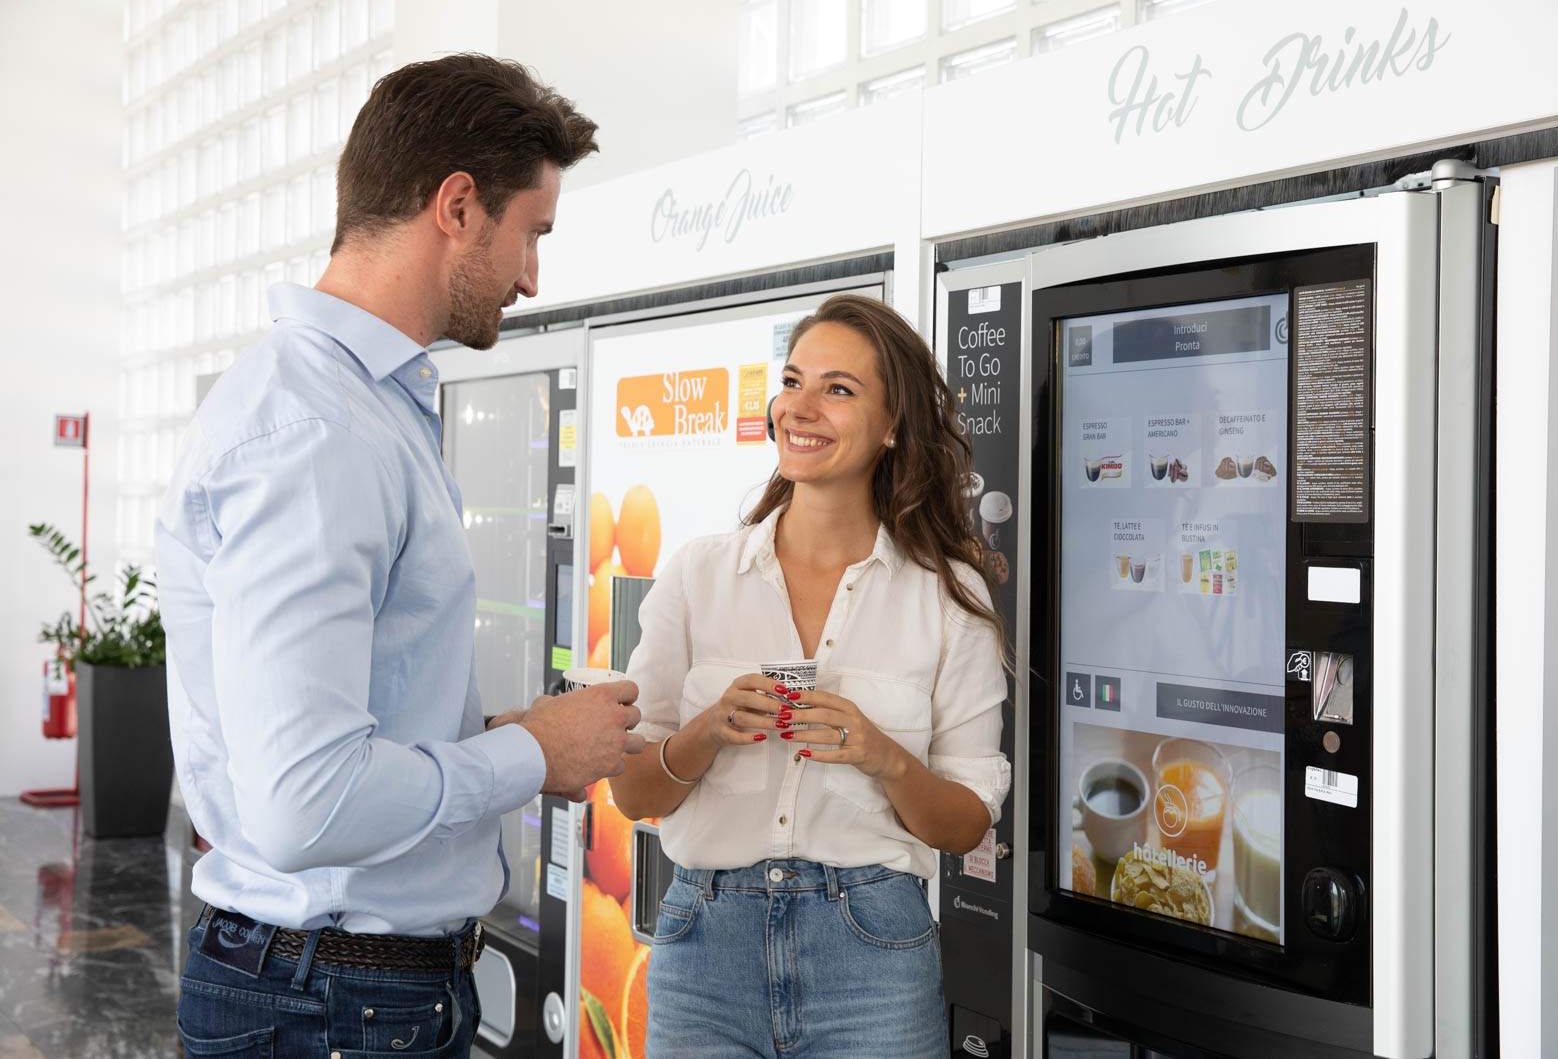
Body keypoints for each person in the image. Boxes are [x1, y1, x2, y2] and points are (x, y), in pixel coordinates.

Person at [155, 54, 644, 1058]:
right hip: (331, 1001)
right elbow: (304, 802)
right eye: (530, 234)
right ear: (457, 206)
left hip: (338, 992)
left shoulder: (355, 407)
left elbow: (344, 720)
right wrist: (531, 754)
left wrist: (509, 734)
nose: (531, 277)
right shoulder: (316, 431)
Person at [609, 293, 1012, 1058]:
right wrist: (703, 734)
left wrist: (883, 754)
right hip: (704, 951)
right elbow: (633, 793)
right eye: (794, 381)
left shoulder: (946, 596)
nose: (802, 406)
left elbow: (965, 825)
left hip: (871, 955)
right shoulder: (698, 575)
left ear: (892, 427)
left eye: (838, 388)